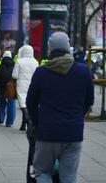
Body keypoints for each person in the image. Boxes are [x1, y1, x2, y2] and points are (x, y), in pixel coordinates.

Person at [27, 32, 94, 183]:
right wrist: (77, 115)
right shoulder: (83, 71)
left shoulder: (41, 72)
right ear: (67, 48)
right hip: (73, 133)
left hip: (47, 133)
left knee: (42, 171)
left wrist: (37, 123)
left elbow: (31, 102)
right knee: (69, 177)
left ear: (50, 50)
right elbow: (89, 100)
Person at [12, 45, 39, 131]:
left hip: (21, 84)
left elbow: (14, 75)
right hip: (31, 84)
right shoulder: (35, 62)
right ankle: (23, 124)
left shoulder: (19, 61)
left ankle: (27, 120)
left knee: (23, 104)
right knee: (28, 103)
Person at [0, 51, 16, 127]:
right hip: (11, 88)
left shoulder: (0, 67)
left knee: (2, 103)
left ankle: (0, 120)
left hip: (2, 88)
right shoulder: (14, 66)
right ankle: (9, 122)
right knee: (12, 104)